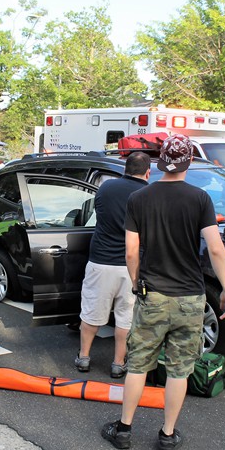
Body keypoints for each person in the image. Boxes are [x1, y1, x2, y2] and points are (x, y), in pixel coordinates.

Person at [101, 134, 225, 450]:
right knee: (179, 369)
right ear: (188, 162)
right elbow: (215, 248)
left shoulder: (140, 198)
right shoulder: (200, 199)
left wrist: (136, 281)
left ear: (161, 162)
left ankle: (124, 429)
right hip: (190, 297)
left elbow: (132, 252)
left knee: (138, 365)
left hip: (153, 295)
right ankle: (167, 435)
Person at [75, 151, 150, 379]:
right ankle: (118, 363)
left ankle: (84, 357)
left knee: (91, 313)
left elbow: (98, 214)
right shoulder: (147, 194)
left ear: (125, 168)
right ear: (147, 172)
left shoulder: (106, 188)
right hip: (131, 265)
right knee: (125, 316)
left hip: (101, 261)